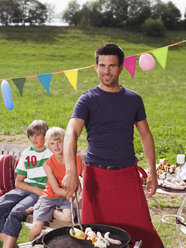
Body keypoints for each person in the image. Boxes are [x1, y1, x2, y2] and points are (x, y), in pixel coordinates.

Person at [62, 43, 164, 248]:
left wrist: (152, 171)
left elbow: (145, 135)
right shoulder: (87, 99)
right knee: (95, 236)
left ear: (121, 68)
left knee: (144, 233)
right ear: (96, 67)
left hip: (127, 177)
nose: (106, 71)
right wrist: (71, 170)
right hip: (96, 181)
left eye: (111, 66)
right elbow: (71, 133)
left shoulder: (134, 99)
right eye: (102, 65)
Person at [0, 120, 52, 248]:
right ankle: (11, 245)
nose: (34, 138)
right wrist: (35, 189)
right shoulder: (27, 153)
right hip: (28, 189)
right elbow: (18, 182)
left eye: (38, 135)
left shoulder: (51, 153)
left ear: (46, 135)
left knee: (16, 212)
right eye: (31, 135)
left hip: (41, 192)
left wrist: (41, 192)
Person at [29, 127, 82, 241]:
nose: (56, 146)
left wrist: (77, 192)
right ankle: (31, 244)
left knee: (69, 217)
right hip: (49, 197)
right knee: (36, 229)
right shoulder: (47, 164)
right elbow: (56, 190)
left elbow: (79, 184)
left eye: (59, 142)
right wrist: (74, 192)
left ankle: (51, 212)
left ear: (66, 143)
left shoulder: (76, 159)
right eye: (52, 143)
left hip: (66, 199)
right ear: (48, 146)